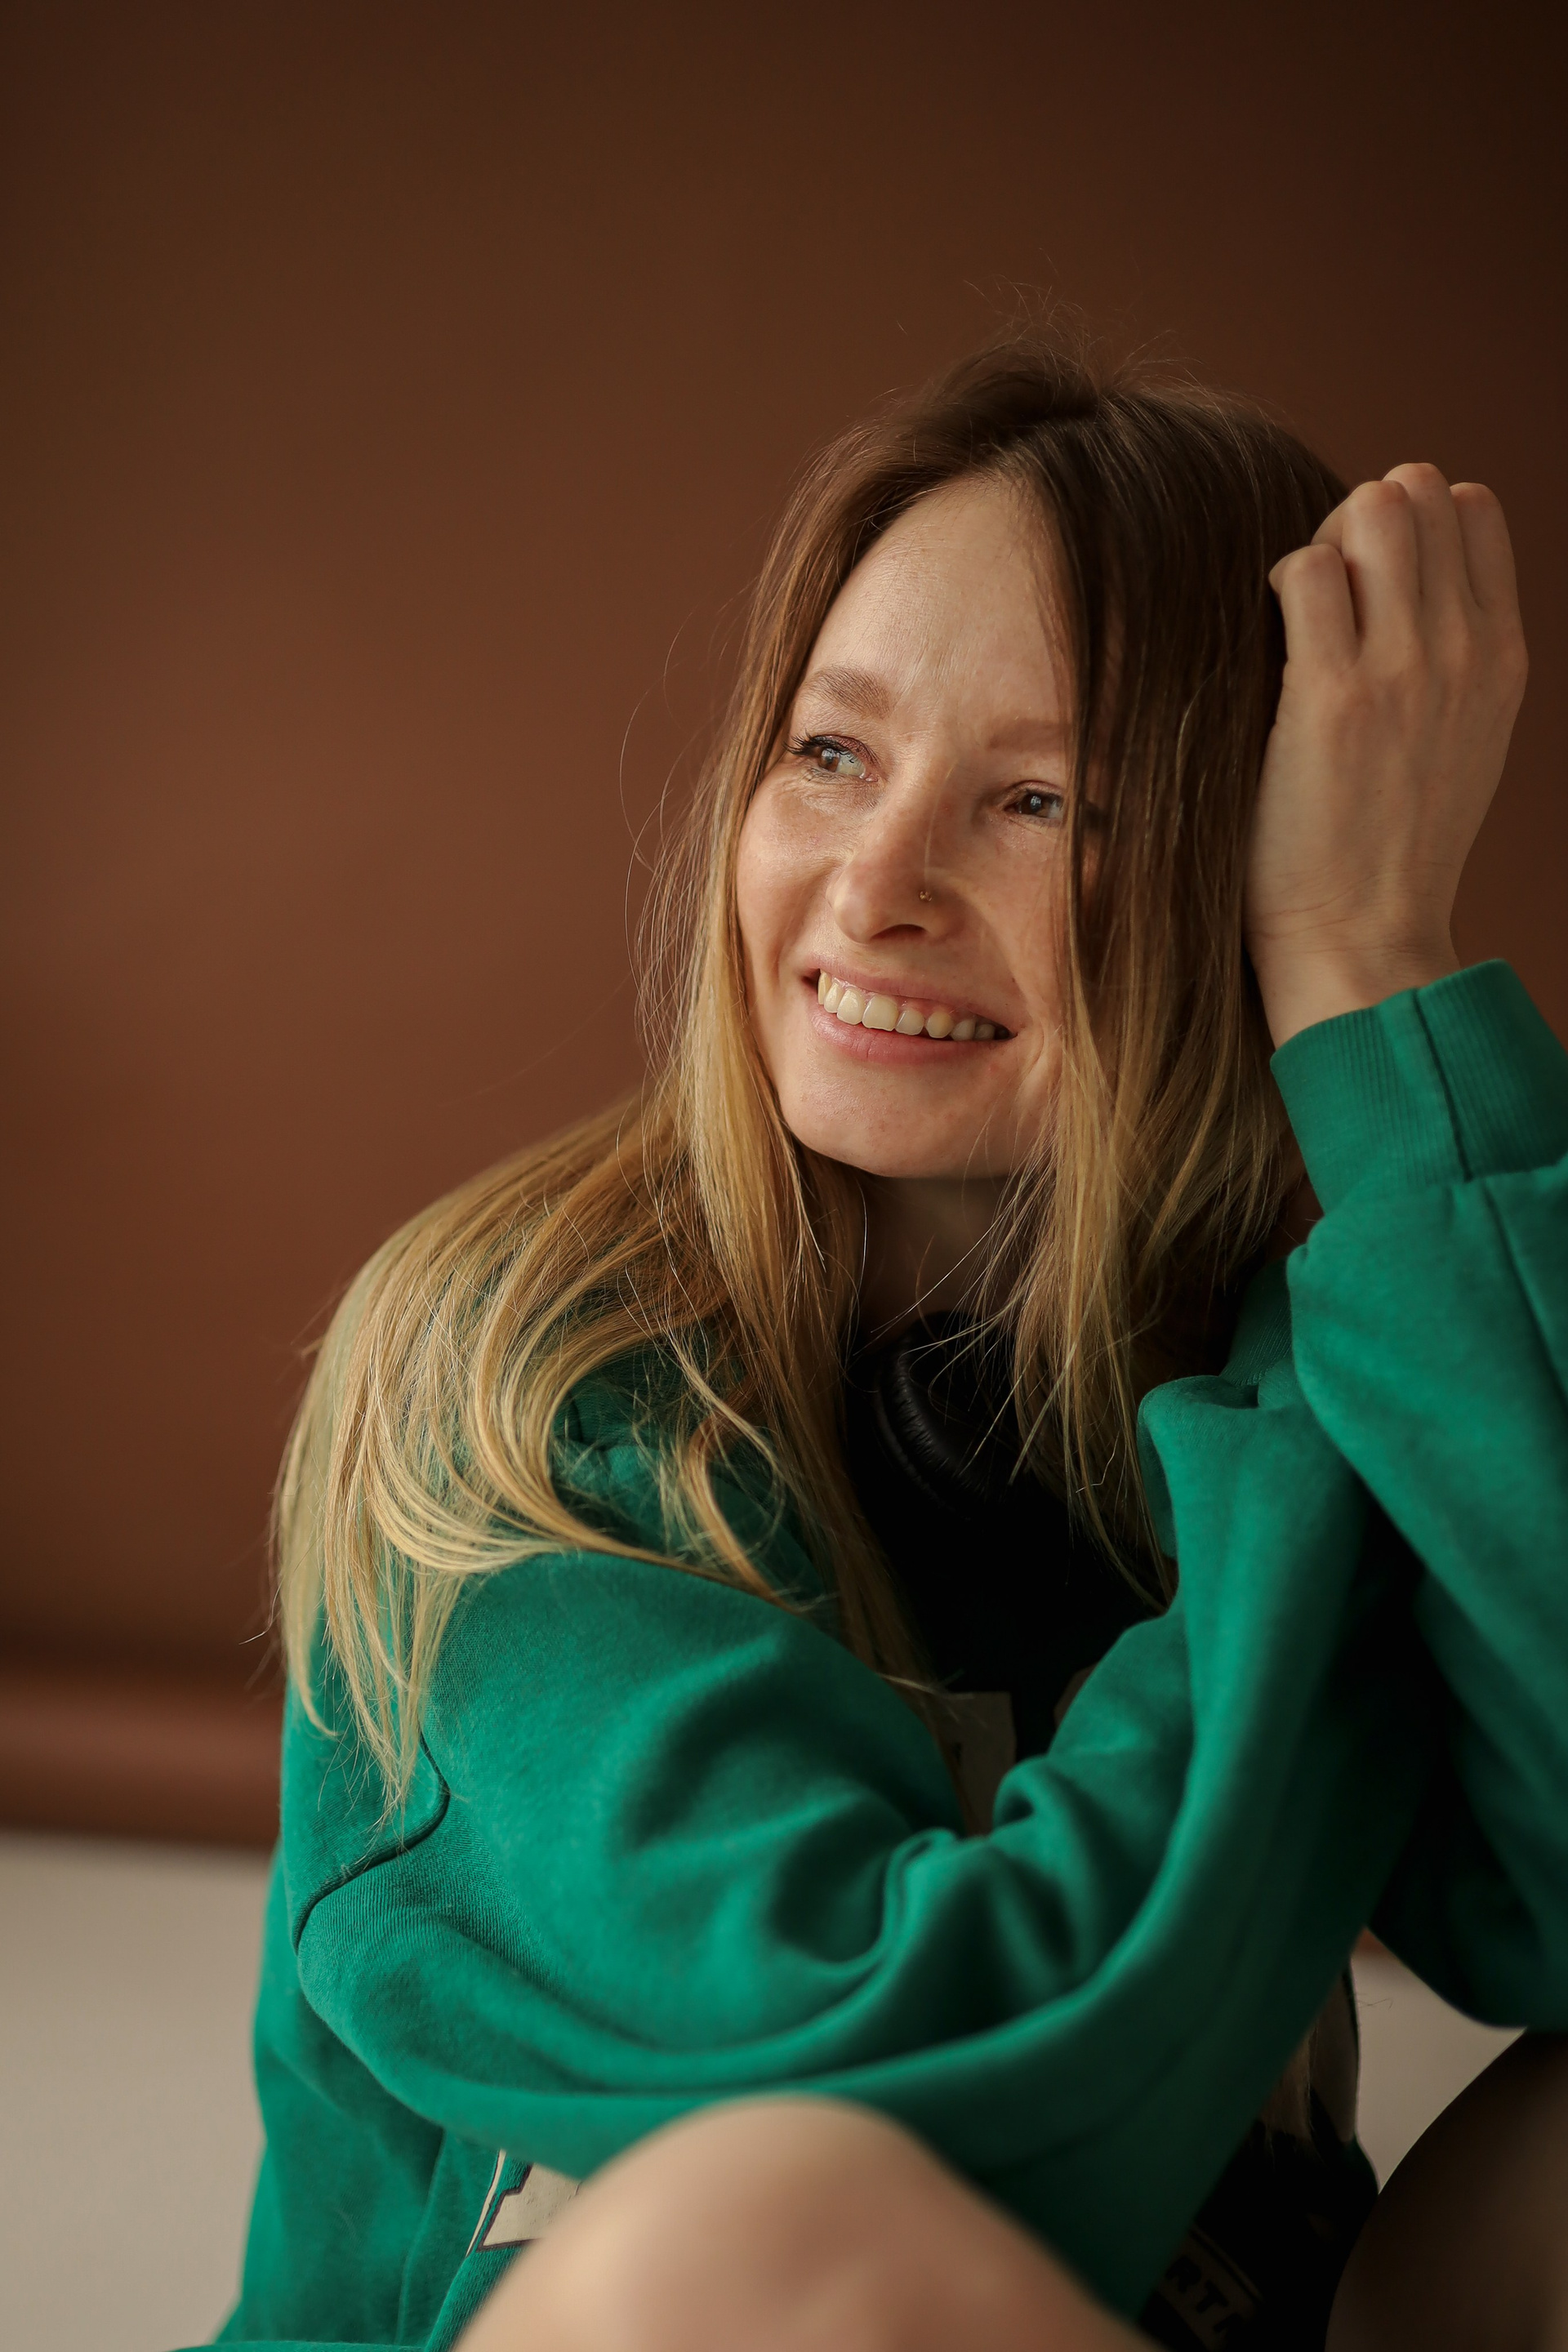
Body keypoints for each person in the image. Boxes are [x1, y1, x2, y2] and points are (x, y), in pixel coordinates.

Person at [207, 336, 1568, 2352]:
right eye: (831, 755)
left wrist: (1372, 971)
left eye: (1040, 800)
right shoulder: (526, 1382)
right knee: (757, 2231)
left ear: (1250, 879)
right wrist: (1321, 1487)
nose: (878, 881)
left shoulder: (1327, 1333)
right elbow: (888, 2103)